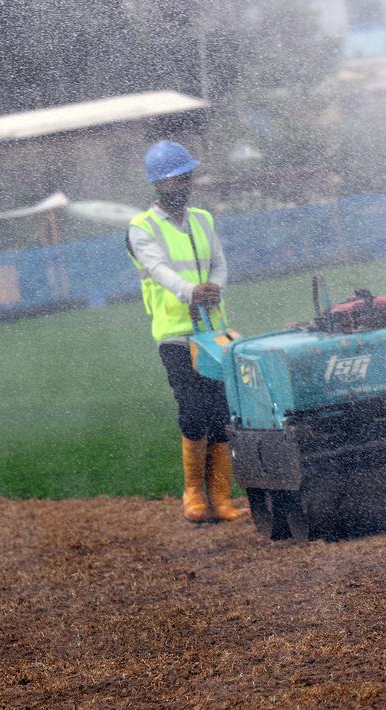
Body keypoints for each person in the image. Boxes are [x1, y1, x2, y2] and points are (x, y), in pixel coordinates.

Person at [126, 140, 247, 524]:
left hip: (214, 333)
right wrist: (191, 292)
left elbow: (220, 265)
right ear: (159, 184)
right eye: (177, 178)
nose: (184, 184)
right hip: (176, 333)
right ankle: (193, 492)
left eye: (187, 176)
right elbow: (158, 270)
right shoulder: (141, 228)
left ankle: (221, 496)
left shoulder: (203, 219)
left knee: (223, 411)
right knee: (194, 411)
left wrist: (215, 287)